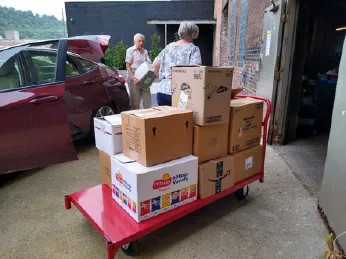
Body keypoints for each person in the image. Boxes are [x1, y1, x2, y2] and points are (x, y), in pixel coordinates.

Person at [152, 22, 202, 106]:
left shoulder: (168, 47)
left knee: (162, 118)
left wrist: (165, 79)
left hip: (162, 91)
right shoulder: (193, 49)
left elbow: (154, 67)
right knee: (179, 118)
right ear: (193, 33)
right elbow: (195, 72)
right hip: (180, 94)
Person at [125, 33, 152, 109]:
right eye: (139, 41)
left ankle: (148, 117)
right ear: (135, 41)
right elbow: (128, 65)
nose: (141, 43)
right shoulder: (130, 50)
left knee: (147, 99)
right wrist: (133, 77)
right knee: (135, 100)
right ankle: (136, 118)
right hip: (133, 74)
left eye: (143, 41)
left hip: (144, 75)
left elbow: (149, 63)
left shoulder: (145, 52)